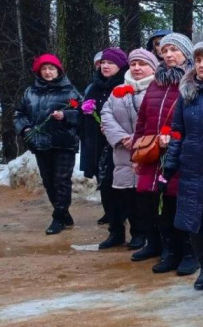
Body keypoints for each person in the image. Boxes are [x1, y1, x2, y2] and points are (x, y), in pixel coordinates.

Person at [160, 41, 203, 290]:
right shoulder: (186, 93)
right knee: (194, 221)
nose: (202, 65)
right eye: (198, 60)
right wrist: (170, 164)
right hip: (191, 166)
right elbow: (178, 131)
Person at [132, 33, 195, 275]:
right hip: (153, 154)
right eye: (165, 50)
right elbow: (143, 120)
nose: (168, 54)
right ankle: (169, 251)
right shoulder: (156, 83)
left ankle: (189, 253)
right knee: (158, 206)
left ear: (186, 53)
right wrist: (137, 153)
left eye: (174, 50)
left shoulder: (192, 82)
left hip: (180, 155)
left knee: (180, 204)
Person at [14, 54, 81, 235]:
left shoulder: (70, 90)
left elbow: (83, 113)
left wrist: (66, 116)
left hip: (64, 143)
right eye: (44, 69)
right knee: (49, 182)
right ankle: (64, 213)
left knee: (61, 181)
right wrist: (26, 129)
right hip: (40, 143)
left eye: (51, 68)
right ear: (38, 72)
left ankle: (58, 217)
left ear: (58, 70)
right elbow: (19, 114)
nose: (48, 72)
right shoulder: (30, 92)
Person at [99, 49, 159, 250]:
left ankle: (146, 234)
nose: (137, 68)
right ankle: (134, 233)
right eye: (133, 64)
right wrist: (121, 138)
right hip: (122, 152)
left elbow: (158, 119)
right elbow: (106, 115)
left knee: (146, 197)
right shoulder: (118, 90)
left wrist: (137, 140)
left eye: (142, 64)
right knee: (126, 195)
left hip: (148, 151)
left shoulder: (158, 88)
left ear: (152, 66)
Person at [79, 47, 128, 229]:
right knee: (104, 185)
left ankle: (129, 225)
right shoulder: (94, 86)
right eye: (103, 63)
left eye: (111, 63)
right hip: (97, 143)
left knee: (119, 187)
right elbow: (83, 111)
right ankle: (114, 226)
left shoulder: (125, 85)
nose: (105, 66)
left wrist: (111, 127)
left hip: (120, 145)